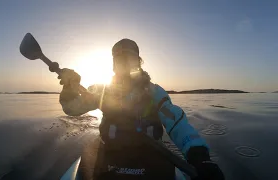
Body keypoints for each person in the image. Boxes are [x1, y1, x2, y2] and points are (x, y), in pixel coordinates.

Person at [58, 39, 225, 180]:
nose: (124, 63)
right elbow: (72, 109)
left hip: (150, 155)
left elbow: (177, 123)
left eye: (129, 58)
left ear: (138, 61)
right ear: (114, 64)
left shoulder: (154, 92)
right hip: (110, 155)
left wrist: (199, 157)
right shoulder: (101, 91)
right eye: (119, 59)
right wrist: (69, 87)